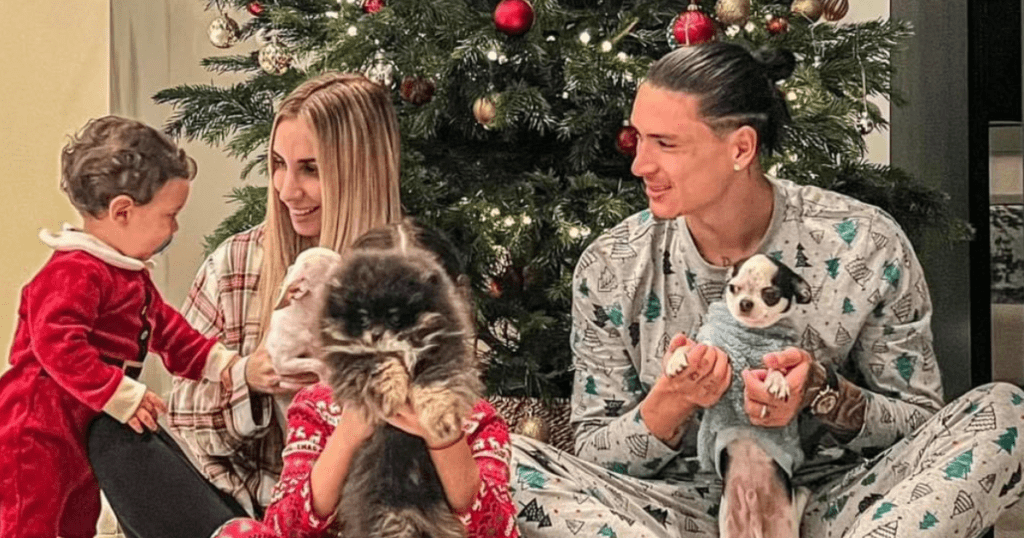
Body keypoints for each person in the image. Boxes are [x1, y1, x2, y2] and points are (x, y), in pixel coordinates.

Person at [509, 42, 1024, 538]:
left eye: (665, 144)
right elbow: (593, 452)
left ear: (740, 147)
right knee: (489, 457)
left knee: (1006, 412)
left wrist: (823, 394)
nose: (639, 165)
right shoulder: (611, 264)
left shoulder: (864, 243)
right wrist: (671, 402)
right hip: (667, 514)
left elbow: (921, 426)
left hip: (838, 505)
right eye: (638, 138)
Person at [87, 72, 402, 538]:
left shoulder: (413, 281)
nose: (286, 189)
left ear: (361, 171)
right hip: (234, 508)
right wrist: (249, 380)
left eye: (311, 169)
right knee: (112, 428)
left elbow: (443, 429)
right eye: (278, 164)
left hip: (357, 514)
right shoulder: (237, 262)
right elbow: (188, 417)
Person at [0, 116, 239, 538]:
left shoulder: (128, 277)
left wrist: (222, 364)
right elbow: (57, 343)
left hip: (82, 430)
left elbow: (169, 330)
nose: (175, 229)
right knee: (30, 521)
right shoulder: (73, 272)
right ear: (123, 211)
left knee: (78, 518)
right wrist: (118, 392)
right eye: (170, 215)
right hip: (35, 430)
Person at [212, 219, 519, 538]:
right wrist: (348, 434)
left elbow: (500, 531)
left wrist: (445, 438)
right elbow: (284, 527)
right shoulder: (319, 407)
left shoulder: (478, 419)